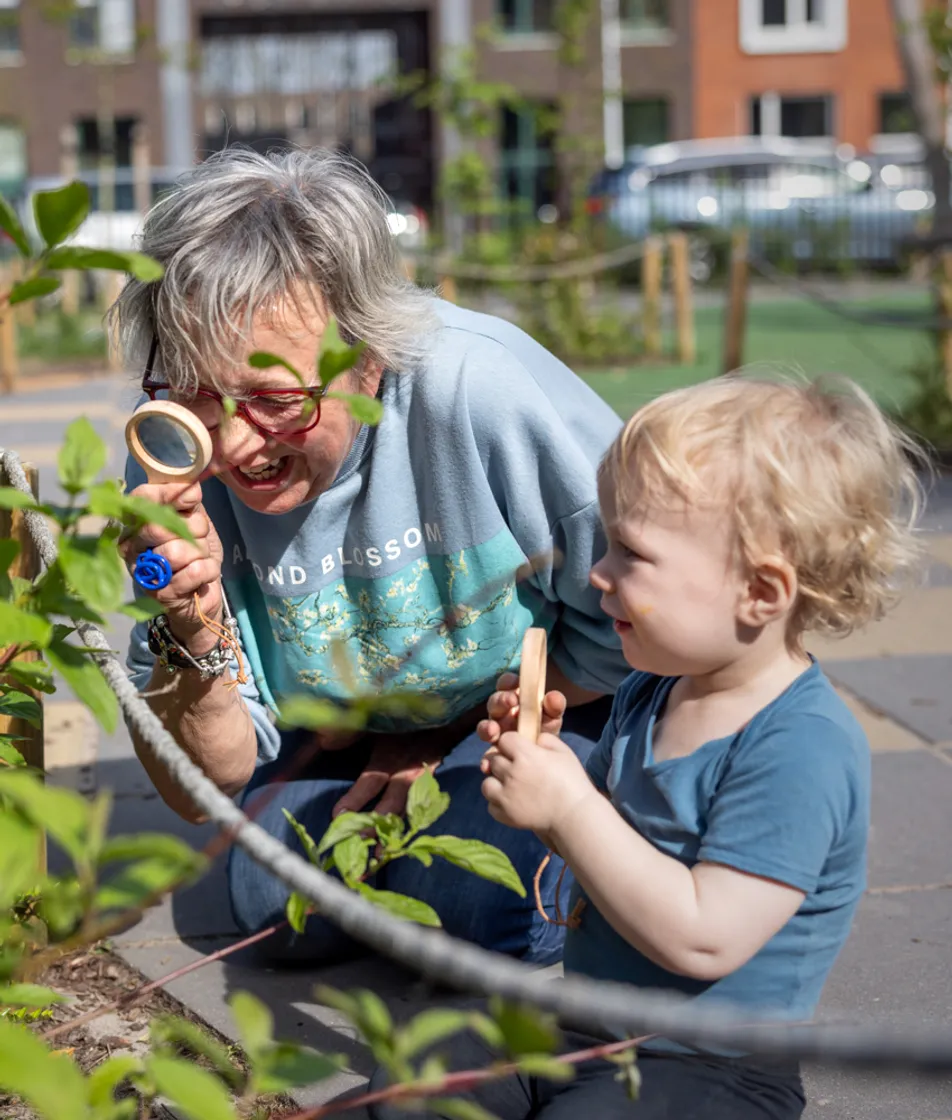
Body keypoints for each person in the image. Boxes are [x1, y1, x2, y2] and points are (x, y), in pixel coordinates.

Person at [114, 145, 629, 963]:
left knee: (493, 899)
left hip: (556, 699)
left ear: (371, 357)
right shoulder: (173, 451)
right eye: (196, 391)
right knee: (272, 907)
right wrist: (192, 624)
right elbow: (197, 783)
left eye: (278, 400)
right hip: (349, 735)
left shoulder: (478, 390)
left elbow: (643, 608)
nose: (233, 445)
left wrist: (447, 735)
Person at [370, 374, 924, 1118]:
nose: (597, 573)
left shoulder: (802, 747)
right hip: (586, 1024)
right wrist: (543, 781)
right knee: (425, 1064)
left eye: (631, 552)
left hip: (709, 1068)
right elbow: (604, 854)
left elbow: (704, 939)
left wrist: (571, 811)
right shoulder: (654, 690)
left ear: (760, 592)